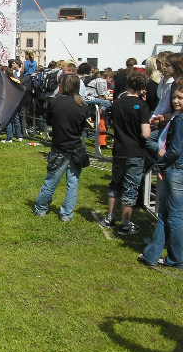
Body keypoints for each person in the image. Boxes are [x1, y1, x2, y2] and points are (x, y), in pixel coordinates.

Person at [100, 73, 150, 235]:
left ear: (128, 85)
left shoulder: (116, 103)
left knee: (115, 184)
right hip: (135, 151)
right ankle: (126, 223)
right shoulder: (142, 106)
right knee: (131, 188)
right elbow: (146, 133)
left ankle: (110, 217)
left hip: (119, 149)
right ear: (142, 88)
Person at [140, 82, 183, 268]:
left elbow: (175, 150)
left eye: (180, 98)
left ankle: (175, 258)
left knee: (172, 215)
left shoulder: (180, 120)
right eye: (174, 97)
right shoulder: (177, 117)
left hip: (175, 169)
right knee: (168, 214)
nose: (175, 101)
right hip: (175, 168)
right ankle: (154, 254)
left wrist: (161, 166)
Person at [33, 74, 88, 221]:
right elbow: (82, 127)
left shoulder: (55, 102)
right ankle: (66, 214)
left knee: (51, 181)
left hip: (60, 147)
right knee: (72, 183)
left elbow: (49, 121)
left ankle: (41, 209)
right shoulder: (82, 105)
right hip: (75, 147)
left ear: (63, 86)